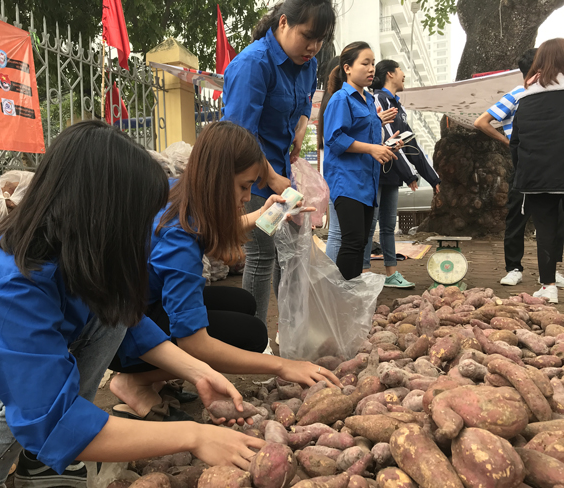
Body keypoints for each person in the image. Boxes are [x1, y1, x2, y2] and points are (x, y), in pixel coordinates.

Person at [0, 121, 265, 488]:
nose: (140, 231)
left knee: (109, 308)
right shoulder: (8, 282)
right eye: (137, 219)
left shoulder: (55, 253)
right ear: (101, 213)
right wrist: (194, 436)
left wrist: (199, 371)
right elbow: (47, 414)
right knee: (16, 386)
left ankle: (47, 460)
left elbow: (127, 319)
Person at [109, 122, 341, 421]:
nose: (247, 197)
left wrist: (265, 213)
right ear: (217, 179)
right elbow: (194, 342)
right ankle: (134, 379)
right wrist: (283, 366)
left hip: (139, 305)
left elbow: (209, 229)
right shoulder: (179, 239)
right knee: (252, 335)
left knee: (243, 303)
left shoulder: (177, 192)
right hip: (120, 336)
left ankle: (154, 378)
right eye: (244, 186)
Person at [222, 0, 336, 324]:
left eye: (320, 39)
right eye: (308, 36)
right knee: (261, 254)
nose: (313, 47)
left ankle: (291, 333)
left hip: (284, 177)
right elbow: (239, 135)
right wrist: (270, 177)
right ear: (283, 23)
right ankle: (255, 340)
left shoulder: (308, 64)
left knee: (288, 256)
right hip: (252, 180)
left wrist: (301, 129)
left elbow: (304, 105)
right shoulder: (253, 64)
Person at [474, 48, 564, 288]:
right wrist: (507, 140)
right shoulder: (519, 94)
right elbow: (481, 121)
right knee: (517, 217)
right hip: (525, 165)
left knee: (556, 222)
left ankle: (552, 271)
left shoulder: (555, 92)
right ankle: (514, 267)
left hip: (552, 165)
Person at [320, 41, 402, 281]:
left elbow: (366, 141)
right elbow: (334, 138)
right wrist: (372, 149)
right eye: (365, 63)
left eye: (373, 63)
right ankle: (339, 297)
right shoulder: (340, 99)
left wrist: (386, 147)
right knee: (352, 241)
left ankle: (351, 296)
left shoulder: (367, 100)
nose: (371, 69)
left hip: (367, 182)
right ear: (347, 68)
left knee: (361, 242)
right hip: (347, 181)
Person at [361, 59, 441, 288]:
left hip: (392, 174)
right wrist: (409, 174)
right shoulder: (378, 99)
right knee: (370, 225)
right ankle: (365, 274)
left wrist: (433, 178)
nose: (404, 74)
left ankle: (391, 274)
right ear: (389, 74)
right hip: (377, 170)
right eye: (401, 70)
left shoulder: (398, 105)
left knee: (388, 226)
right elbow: (389, 140)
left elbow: (409, 143)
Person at [510, 38, 564, 304]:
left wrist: (523, 171)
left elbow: (515, 143)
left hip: (536, 176)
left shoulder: (525, 100)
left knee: (545, 230)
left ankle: (548, 286)